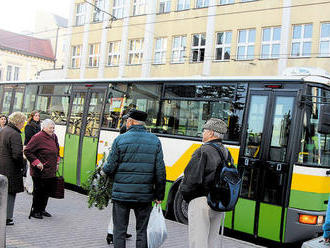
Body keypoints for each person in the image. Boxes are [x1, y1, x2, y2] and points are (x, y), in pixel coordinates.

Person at [102, 109, 166, 248]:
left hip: (121, 194)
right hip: (144, 194)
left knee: (119, 231)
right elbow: (160, 170)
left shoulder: (120, 139)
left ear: (130, 122)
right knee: (142, 231)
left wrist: (105, 171)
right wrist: (159, 194)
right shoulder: (155, 141)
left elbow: (110, 167)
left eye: (127, 120)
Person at [180, 118, 232, 248]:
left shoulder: (203, 151)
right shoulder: (226, 152)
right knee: (212, 241)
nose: (202, 133)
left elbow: (191, 179)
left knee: (198, 241)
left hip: (201, 201)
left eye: (204, 130)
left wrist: (187, 197)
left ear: (211, 133)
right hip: (218, 202)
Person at [24, 119, 60, 219]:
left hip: (50, 170)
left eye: (53, 128)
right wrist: (37, 162)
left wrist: (57, 162)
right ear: (44, 128)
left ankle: (42, 209)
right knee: (39, 191)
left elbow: (57, 150)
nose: (52, 130)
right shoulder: (37, 137)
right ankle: (35, 211)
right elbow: (27, 151)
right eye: (50, 128)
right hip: (40, 171)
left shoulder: (54, 136)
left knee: (47, 191)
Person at [0, 112, 27, 225]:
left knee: (2, 192)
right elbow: (17, 154)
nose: (23, 124)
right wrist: (23, 163)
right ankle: (7, 218)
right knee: (10, 193)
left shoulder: (4, 130)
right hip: (11, 168)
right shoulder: (15, 134)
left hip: (2, 166)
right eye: (23, 122)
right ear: (19, 122)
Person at [24, 110, 41, 194]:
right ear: (32, 116)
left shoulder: (38, 126)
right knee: (30, 167)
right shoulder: (29, 126)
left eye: (38, 116)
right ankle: (29, 187)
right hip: (30, 149)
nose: (38, 117)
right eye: (36, 115)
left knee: (31, 168)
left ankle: (28, 185)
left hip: (36, 149)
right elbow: (28, 138)